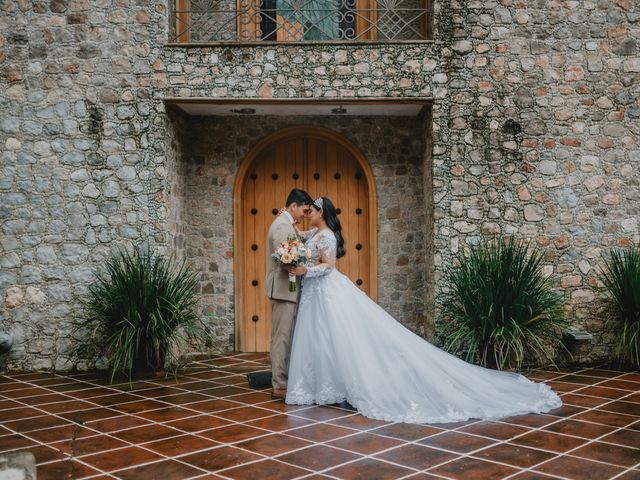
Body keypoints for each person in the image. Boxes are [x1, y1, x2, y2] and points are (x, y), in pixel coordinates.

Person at [285, 196, 562, 424]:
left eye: (312, 210)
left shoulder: (327, 237)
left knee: (338, 337)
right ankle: (322, 385)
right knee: (321, 339)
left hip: (326, 290)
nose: (308, 214)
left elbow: (329, 266)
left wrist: (303, 270)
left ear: (322, 212)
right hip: (315, 295)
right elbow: (297, 234)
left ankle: (339, 385)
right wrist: (289, 232)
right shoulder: (315, 232)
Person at [265, 188, 314, 400]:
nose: (305, 215)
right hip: (284, 289)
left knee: (287, 337)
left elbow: (295, 240)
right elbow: (284, 258)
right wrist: (304, 263)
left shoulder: (287, 225)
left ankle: (284, 380)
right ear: (293, 206)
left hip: (289, 288)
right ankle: (279, 385)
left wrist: (319, 231)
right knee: (281, 339)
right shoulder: (280, 226)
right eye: (304, 210)